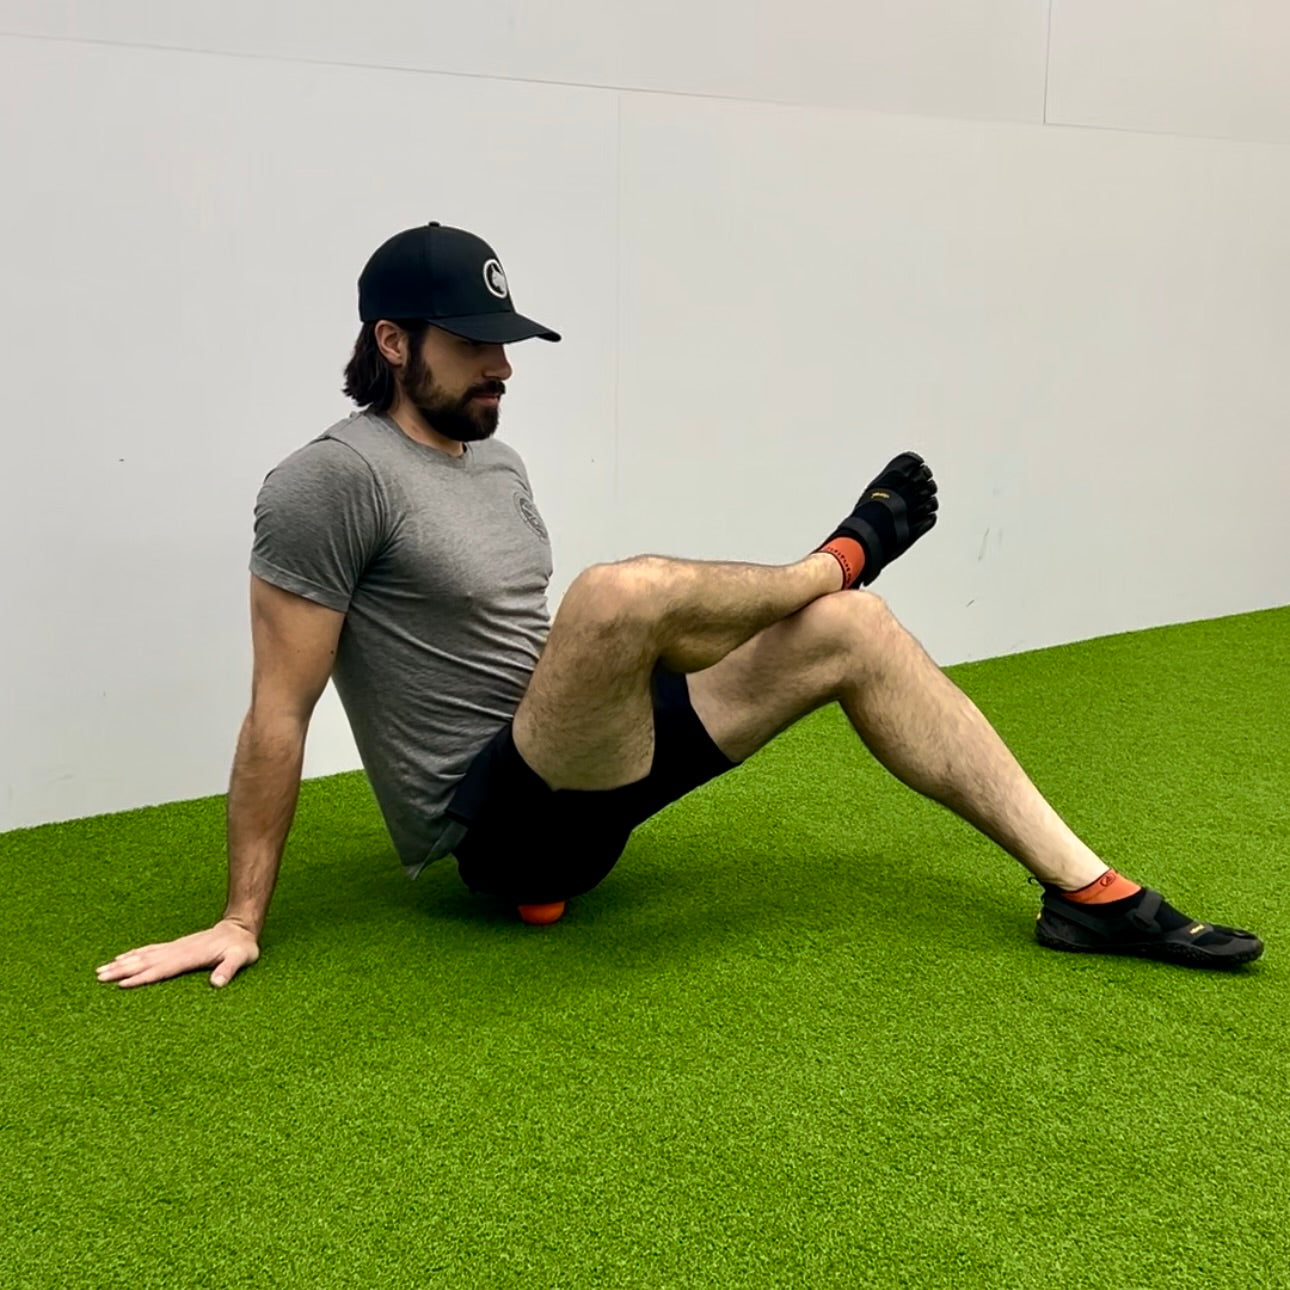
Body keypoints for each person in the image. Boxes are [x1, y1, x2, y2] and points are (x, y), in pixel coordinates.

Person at [96, 221, 1264, 991]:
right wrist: (241, 917)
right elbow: (278, 708)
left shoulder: (496, 465)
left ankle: (1090, 895)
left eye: (510, 346)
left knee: (848, 634)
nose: (503, 368)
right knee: (621, 595)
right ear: (392, 342)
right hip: (499, 828)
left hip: (592, 764)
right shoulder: (326, 482)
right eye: (473, 347)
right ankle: (834, 559)